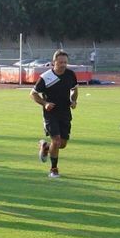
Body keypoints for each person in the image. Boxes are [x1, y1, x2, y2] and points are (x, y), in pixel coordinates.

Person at [31, 49, 78, 178]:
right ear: (54, 62)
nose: (63, 64)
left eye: (65, 62)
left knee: (62, 144)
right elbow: (33, 94)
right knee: (56, 141)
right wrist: (45, 103)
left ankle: (45, 147)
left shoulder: (70, 74)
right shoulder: (46, 77)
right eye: (60, 62)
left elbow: (74, 89)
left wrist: (73, 100)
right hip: (50, 114)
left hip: (65, 112)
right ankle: (54, 169)